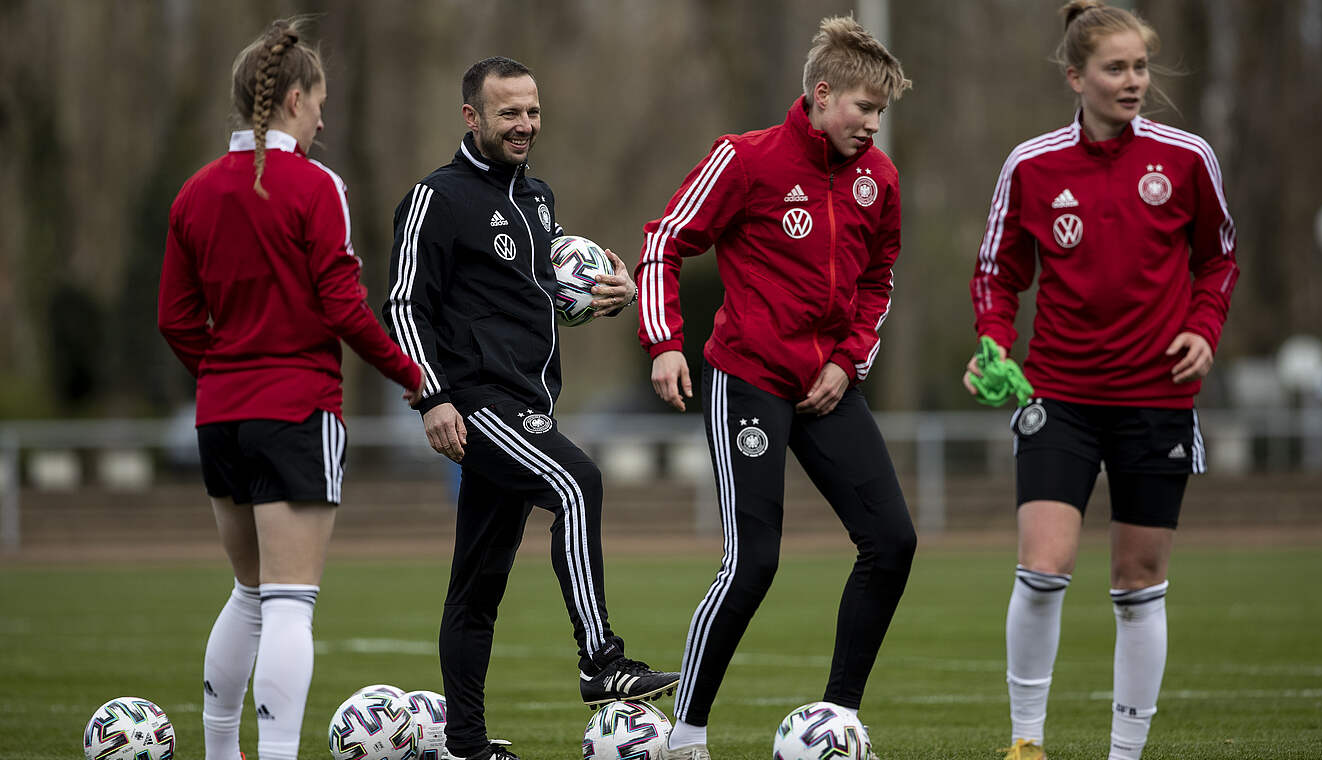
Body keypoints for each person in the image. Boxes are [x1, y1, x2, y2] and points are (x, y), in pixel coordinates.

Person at [382, 56, 679, 760]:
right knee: (579, 482)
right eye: (509, 112)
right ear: (472, 118)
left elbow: (539, 295)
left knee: (477, 589)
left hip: (528, 401)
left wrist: (610, 297)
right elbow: (401, 304)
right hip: (479, 402)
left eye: (533, 112)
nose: (524, 125)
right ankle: (601, 660)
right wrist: (432, 396)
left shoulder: (538, 199)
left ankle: (466, 745)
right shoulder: (436, 197)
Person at [964, 3, 1239, 759]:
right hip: (1058, 395)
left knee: (1138, 582)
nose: (1133, 82)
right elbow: (996, 270)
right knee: (1043, 567)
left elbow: (1219, 259)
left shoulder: (1187, 159)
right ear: (1075, 76)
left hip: (1157, 397)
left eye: (1141, 67)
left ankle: (1125, 754)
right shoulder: (1032, 164)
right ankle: (1026, 744)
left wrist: (1203, 330)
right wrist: (994, 344)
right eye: (1116, 68)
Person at [637, 17, 916, 760]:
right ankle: (687, 735)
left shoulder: (878, 180)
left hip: (828, 383)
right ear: (823, 96)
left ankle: (837, 725)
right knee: (754, 561)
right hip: (747, 379)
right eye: (864, 108)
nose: (872, 125)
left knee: (892, 542)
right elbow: (665, 240)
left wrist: (848, 361)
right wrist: (664, 343)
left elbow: (878, 282)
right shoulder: (745, 159)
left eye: (881, 113)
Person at [157, 18, 423, 760]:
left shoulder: (194, 192)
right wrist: (417, 379)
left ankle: (220, 752)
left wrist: (222, 375)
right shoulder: (317, 186)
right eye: (320, 104)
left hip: (221, 414)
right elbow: (345, 308)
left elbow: (175, 319)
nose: (325, 119)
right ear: (295, 99)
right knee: (289, 603)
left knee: (249, 593)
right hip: (296, 409)